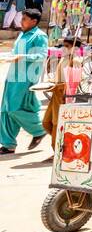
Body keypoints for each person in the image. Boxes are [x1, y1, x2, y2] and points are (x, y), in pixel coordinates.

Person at [1, 9, 48, 152]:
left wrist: (22, 57)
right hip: (13, 76)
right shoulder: (22, 34)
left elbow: (41, 55)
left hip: (26, 78)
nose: (21, 21)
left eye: (24, 19)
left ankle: (40, 130)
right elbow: (16, 53)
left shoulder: (40, 36)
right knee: (5, 110)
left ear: (34, 22)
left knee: (15, 108)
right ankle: (8, 145)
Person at [42, 37, 77, 142]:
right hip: (55, 92)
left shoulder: (75, 60)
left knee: (57, 123)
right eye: (63, 46)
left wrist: (60, 87)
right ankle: (60, 143)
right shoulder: (63, 58)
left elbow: (74, 82)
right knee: (46, 122)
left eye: (67, 46)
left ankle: (57, 150)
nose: (64, 48)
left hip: (64, 95)